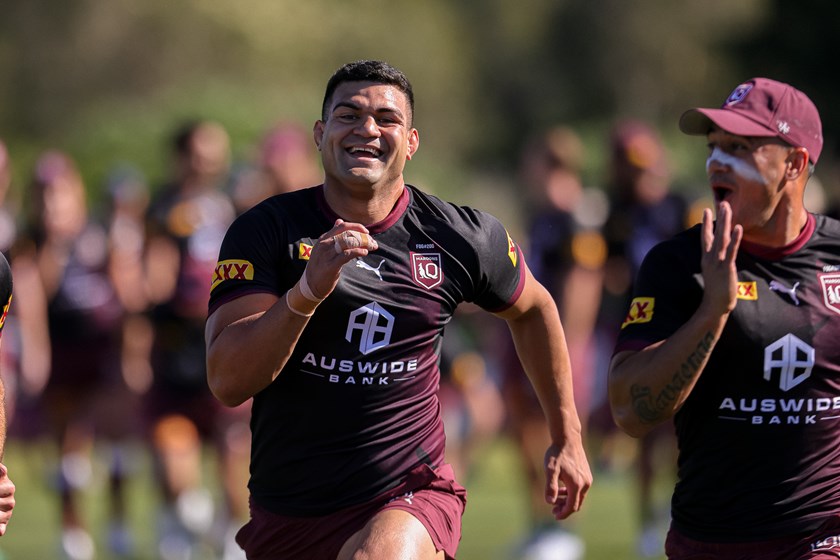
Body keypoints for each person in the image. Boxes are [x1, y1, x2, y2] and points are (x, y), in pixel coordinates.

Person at [205, 59, 592, 560]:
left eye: (386, 119)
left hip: (408, 492)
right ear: (321, 134)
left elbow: (535, 309)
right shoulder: (264, 231)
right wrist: (305, 293)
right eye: (348, 115)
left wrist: (568, 435)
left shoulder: (460, 235)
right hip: (291, 509)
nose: (367, 128)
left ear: (410, 142)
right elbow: (229, 380)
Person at [608, 77, 840, 560]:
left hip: (818, 535)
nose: (717, 161)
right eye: (715, 147)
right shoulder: (676, 263)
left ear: (794, 164)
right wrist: (712, 312)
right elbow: (631, 411)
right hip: (708, 538)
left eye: (741, 147)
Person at [501, 126, 606, 560]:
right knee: (523, 431)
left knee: (557, 431)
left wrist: (568, 345)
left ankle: (564, 531)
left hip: (557, 341)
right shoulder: (542, 212)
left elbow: (584, 283)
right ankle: (540, 524)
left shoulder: (575, 213)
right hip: (526, 336)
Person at [143, 120, 244, 559]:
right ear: (182, 156)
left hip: (227, 344)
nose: (210, 161)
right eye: (202, 151)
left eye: (217, 151)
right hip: (177, 354)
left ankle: (232, 544)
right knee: (174, 470)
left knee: (236, 467)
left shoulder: (234, 205)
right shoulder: (162, 211)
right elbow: (150, 284)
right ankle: (194, 523)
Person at [594, 120, 688, 557]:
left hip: (683, 328)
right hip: (636, 328)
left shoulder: (680, 206)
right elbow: (609, 272)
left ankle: (677, 511)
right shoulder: (618, 214)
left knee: (681, 435)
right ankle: (646, 522)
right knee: (644, 431)